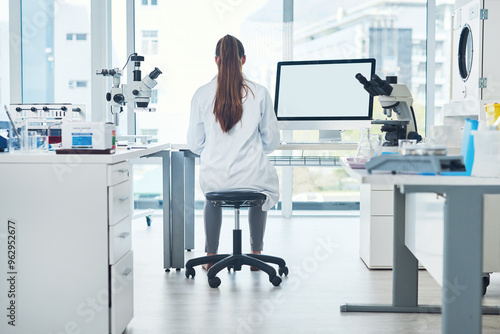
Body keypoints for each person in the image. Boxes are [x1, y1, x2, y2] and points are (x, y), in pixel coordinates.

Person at [187, 34, 280, 270]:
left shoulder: (201, 94)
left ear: (216, 60)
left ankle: (210, 257)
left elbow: (195, 144)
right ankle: (256, 255)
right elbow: (271, 142)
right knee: (260, 190)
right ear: (244, 59)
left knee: (212, 195)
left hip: (215, 177)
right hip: (251, 177)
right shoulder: (259, 92)